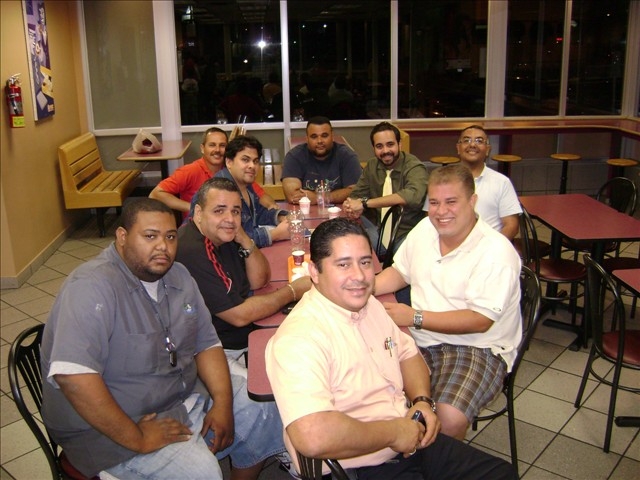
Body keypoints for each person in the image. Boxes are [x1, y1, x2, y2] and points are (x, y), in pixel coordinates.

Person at [265, 218, 517, 480]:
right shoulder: (300, 338)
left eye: (365, 262)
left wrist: (422, 401)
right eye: (343, 264)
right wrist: (395, 433)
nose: (359, 276)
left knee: (502, 474)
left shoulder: (368, 305)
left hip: (407, 440)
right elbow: (312, 436)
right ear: (314, 272)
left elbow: (408, 353)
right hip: (358, 466)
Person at [40, 198, 237, 479]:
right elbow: (74, 378)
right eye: (150, 236)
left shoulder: (178, 275)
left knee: (256, 407)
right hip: (108, 430)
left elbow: (206, 344)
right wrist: (138, 438)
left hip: (176, 399)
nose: (163, 247)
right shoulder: (91, 287)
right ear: (122, 237)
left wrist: (223, 403)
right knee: (202, 473)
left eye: (170, 237)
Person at [376, 164, 522, 440]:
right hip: (419, 338)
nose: (441, 211)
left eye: (451, 202)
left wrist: (414, 317)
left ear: (472, 201)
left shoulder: (496, 251)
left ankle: (438, 458)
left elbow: (480, 320)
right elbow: (399, 273)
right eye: (434, 202)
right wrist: (364, 287)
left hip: (477, 347)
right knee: (368, 390)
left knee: (448, 418)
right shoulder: (425, 229)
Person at [176, 177, 311, 479]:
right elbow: (238, 316)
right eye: (219, 210)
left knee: (299, 363)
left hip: (239, 339)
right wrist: (293, 291)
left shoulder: (225, 238)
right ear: (198, 213)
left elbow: (260, 280)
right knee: (267, 402)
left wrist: (245, 239)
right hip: (209, 353)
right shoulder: (193, 250)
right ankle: (270, 447)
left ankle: (279, 441)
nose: (230, 218)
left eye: (235, 211)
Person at [150, 128, 277, 221]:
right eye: (212, 145)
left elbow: (260, 195)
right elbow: (155, 194)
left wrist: (273, 208)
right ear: (202, 148)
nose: (217, 150)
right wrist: (194, 207)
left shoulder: (234, 171)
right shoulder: (190, 171)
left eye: (222, 146)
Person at [424, 125, 521, 240]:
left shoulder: (502, 182)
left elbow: (511, 225)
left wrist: (492, 246)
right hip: (449, 244)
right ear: (458, 148)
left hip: (487, 245)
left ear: (488, 149)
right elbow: (429, 219)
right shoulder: (442, 180)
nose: (473, 145)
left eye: (479, 141)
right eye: (467, 140)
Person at [344, 121, 428, 252]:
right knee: (348, 245)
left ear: (399, 144)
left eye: (390, 144)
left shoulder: (414, 167)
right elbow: (356, 195)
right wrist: (351, 206)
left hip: (406, 233)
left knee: (402, 260)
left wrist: (365, 204)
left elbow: (412, 196)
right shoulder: (372, 166)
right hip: (378, 228)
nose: (385, 151)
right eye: (379, 146)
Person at [213, 135, 290, 247]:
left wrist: (281, 217)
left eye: (255, 161)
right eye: (245, 160)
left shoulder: (245, 184)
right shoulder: (221, 190)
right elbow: (233, 239)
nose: (252, 166)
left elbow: (258, 214)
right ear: (229, 162)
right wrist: (275, 234)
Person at [281, 116, 362, 205]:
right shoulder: (294, 156)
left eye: (324, 136)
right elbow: (293, 196)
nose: (319, 141)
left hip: (340, 211)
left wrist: (320, 198)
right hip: (304, 211)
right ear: (307, 138)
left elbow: (356, 191)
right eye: (314, 136)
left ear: (332, 136)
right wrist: (337, 195)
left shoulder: (347, 156)